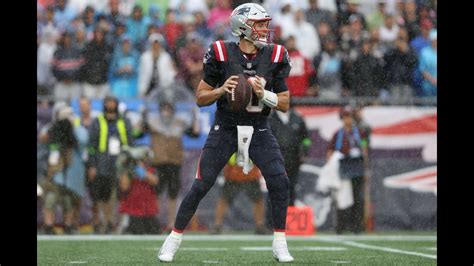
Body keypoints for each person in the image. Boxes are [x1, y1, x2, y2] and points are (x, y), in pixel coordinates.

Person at [158, 3, 294, 263]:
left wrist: (262, 94)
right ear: (243, 27)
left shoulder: (275, 54)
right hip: (226, 128)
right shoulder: (221, 52)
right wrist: (222, 91)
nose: (266, 29)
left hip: (259, 128)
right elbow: (200, 98)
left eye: (266, 23)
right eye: (260, 24)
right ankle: (173, 239)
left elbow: (285, 103)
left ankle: (279, 242)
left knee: (280, 181)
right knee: (202, 183)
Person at [143, 99, 200, 232]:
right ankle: (154, 221)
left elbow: (195, 134)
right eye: (164, 108)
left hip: (174, 162)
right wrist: (143, 115)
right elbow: (139, 132)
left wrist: (195, 117)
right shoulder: (153, 122)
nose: (166, 112)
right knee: (156, 192)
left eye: (169, 109)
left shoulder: (179, 123)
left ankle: (171, 223)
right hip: (158, 161)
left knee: (173, 193)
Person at [87, 96, 134, 234]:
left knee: (122, 193)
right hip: (103, 162)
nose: (110, 105)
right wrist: (92, 165)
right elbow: (92, 145)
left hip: (121, 161)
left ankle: (119, 223)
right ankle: (106, 221)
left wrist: (129, 163)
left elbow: (130, 142)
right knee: (104, 194)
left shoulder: (124, 121)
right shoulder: (98, 121)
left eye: (113, 102)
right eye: (108, 102)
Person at [326, 106, 368, 234]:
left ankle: (356, 226)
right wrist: (330, 168)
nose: (347, 119)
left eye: (349, 116)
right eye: (345, 117)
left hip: (356, 168)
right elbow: (330, 151)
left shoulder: (360, 133)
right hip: (343, 168)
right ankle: (341, 226)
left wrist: (365, 168)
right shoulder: (338, 134)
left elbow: (364, 150)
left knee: (357, 198)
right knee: (341, 199)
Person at [210, 153, 271, 235]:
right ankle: (217, 225)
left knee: (258, 200)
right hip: (236, 174)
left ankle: (260, 225)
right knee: (224, 200)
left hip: (245, 174)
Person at [269, 107, 311, 206]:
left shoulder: (298, 118)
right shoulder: (269, 119)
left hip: (294, 159)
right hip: (276, 161)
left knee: (291, 187)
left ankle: (290, 215)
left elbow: (306, 139)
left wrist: (304, 151)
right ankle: (273, 218)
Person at [117, 146, 160, 234]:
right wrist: (127, 170)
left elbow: (155, 181)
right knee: (136, 232)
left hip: (149, 210)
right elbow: (124, 187)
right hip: (134, 211)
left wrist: (142, 172)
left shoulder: (150, 170)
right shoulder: (129, 171)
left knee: (154, 232)